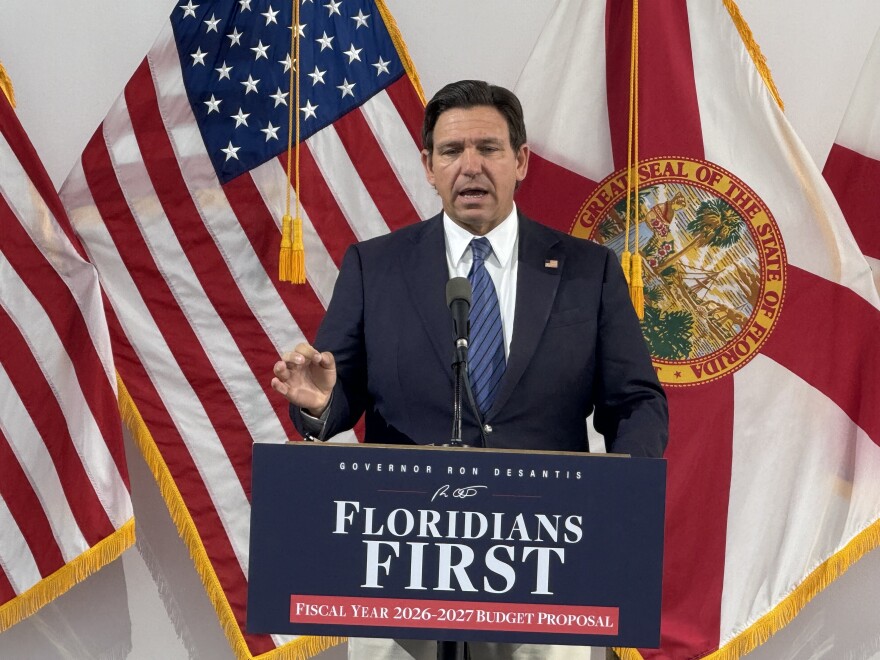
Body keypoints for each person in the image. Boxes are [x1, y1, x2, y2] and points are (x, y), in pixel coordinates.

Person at [271, 80, 668, 659]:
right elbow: (340, 392)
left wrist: (623, 491)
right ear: (428, 166)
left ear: (520, 161)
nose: (471, 166)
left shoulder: (589, 271)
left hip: (549, 565)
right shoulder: (375, 268)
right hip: (404, 565)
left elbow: (635, 401)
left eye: (489, 148)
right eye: (453, 151)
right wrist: (319, 403)